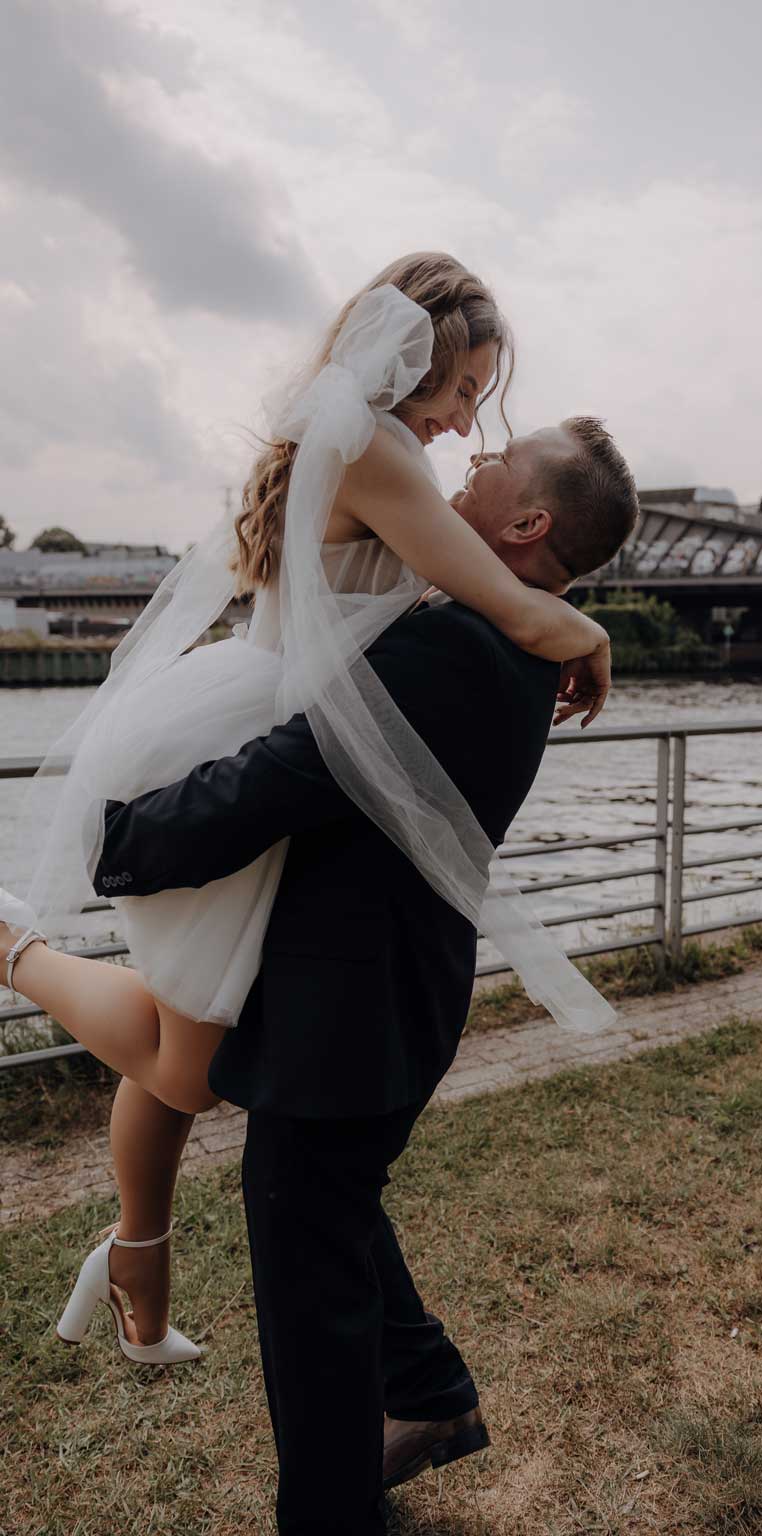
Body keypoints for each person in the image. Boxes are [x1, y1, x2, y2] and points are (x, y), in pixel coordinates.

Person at [0, 253, 615, 1362]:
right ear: (410, 359)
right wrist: (584, 629)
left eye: (479, 399)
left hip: (274, 726)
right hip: (243, 735)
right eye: (462, 389)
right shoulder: (373, 453)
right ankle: (13, 948)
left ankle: (137, 1256)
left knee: (194, 1024)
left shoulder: (364, 447)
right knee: (187, 1058)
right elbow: (506, 605)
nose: (466, 420)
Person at [92, 416, 638, 1533]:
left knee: (310, 1295)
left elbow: (277, 781)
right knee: (334, 1217)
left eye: (492, 466)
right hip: (384, 997)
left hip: (348, 1016)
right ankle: (430, 1394)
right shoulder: (501, 639)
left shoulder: (457, 647)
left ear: (526, 521)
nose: (465, 467)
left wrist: (118, 841)